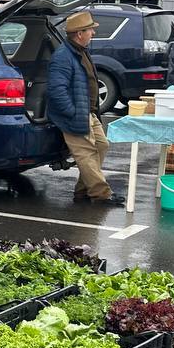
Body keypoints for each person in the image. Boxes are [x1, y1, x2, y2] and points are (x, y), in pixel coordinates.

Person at [47, 11, 124, 206]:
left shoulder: (80, 51)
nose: (93, 33)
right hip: (75, 115)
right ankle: (101, 194)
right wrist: (72, 113)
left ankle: (83, 191)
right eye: (91, 30)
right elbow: (56, 91)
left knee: (101, 146)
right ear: (80, 33)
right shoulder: (63, 57)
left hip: (87, 112)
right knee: (87, 152)